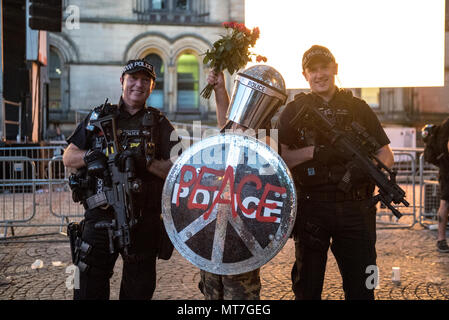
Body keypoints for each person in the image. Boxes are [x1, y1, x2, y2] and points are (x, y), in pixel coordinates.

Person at [277, 45, 394, 300]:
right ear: (305, 75)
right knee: (307, 289)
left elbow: (387, 155)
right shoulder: (294, 110)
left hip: (356, 209)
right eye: (313, 70)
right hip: (312, 209)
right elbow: (279, 157)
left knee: (364, 288)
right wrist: (314, 152)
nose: (320, 75)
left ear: (335, 69)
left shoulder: (359, 108)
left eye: (324, 68)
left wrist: (362, 168)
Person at [63, 59, 179, 300]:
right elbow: (69, 157)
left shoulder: (160, 123)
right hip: (100, 216)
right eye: (133, 79)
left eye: (145, 80)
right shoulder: (98, 117)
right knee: (87, 287)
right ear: (122, 82)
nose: (139, 84)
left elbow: (176, 170)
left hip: (142, 219)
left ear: (152, 86)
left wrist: (146, 162)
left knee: (139, 290)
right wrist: (92, 156)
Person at [196, 70, 262, 300]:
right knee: (213, 294)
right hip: (214, 231)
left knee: (240, 297)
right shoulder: (229, 132)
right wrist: (220, 90)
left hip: (242, 236)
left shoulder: (264, 137)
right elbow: (226, 125)